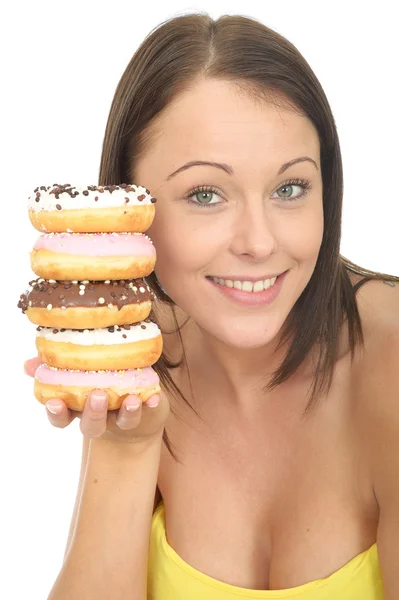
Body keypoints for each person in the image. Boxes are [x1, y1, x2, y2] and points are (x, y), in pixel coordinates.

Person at [24, 12, 399, 600]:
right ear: (130, 206)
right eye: (206, 194)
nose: (258, 241)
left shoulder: (392, 365)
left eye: (289, 188)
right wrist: (126, 451)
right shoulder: (138, 352)